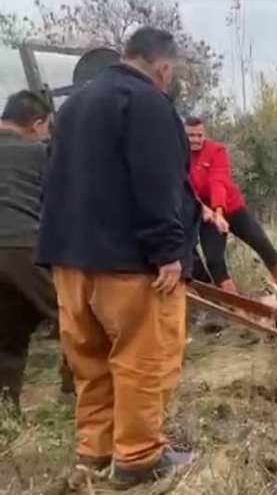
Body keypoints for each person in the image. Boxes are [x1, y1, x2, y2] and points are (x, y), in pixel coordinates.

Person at [36, 27, 197, 488]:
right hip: (129, 265)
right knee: (143, 360)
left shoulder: (73, 106)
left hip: (70, 262)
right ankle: (138, 457)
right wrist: (168, 251)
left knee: (90, 363)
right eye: (170, 73)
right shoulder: (149, 104)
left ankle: (96, 451)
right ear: (162, 67)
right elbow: (158, 183)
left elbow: (53, 180)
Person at [0, 90, 74, 414]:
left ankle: (6, 414)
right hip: (24, 248)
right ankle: (76, 391)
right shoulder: (39, 153)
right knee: (77, 318)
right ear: (37, 124)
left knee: (7, 334)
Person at [184, 117, 277, 296]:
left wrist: (219, 213)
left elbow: (218, 181)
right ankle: (235, 305)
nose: (196, 140)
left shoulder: (217, 150)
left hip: (232, 208)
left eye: (199, 135)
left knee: (261, 243)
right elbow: (186, 188)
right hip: (207, 215)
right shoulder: (179, 157)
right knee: (214, 261)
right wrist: (205, 210)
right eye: (191, 136)